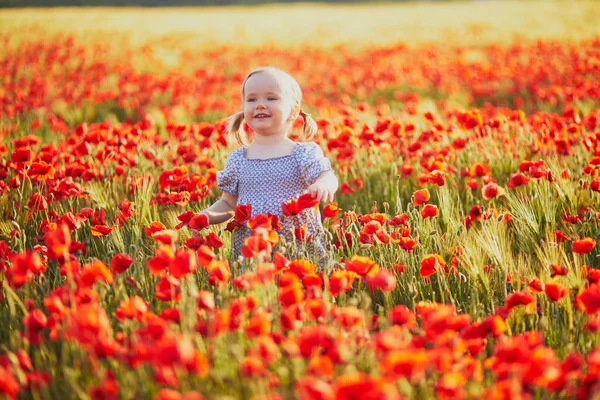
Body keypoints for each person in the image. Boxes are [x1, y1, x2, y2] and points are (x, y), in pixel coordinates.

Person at [194, 66, 338, 268]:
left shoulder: (302, 154)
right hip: (254, 252)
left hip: (297, 247)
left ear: (293, 110)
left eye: (271, 98)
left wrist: (324, 184)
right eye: (252, 99)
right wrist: (206, 216)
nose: (260, 105)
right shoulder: (238, 159)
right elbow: (228, 204)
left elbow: (327, 175)